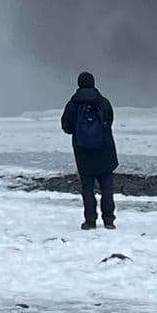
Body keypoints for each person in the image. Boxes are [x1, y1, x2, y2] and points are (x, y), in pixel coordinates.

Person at [61, 70, 118, 229]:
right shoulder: (103, 102)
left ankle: (90, 220)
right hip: (105, 151)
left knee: (87, 188)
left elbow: (66, 126)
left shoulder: (73, 105)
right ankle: (109, 220)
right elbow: (109, 121)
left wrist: (81, 134)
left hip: (83, 153)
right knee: (107, 187)